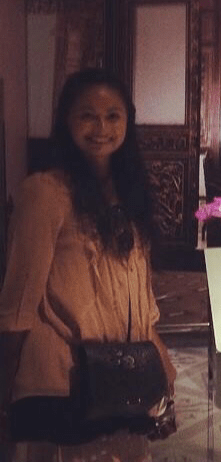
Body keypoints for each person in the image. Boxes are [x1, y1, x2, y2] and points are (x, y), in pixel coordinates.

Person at [0, 69, 176, 462]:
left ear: (128, 121)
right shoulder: (45, 193)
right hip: (65, 382)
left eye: (113, 116)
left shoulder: (130, 192)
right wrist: (4, 385)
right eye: (87, 116)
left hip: (125, 378)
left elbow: (140, 294)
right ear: (67, 120)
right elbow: (18, 302)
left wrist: (161, 366)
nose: (101, 128)